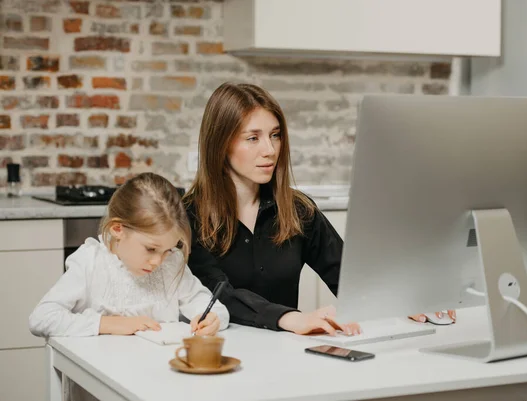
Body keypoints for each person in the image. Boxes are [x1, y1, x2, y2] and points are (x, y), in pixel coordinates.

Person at [184, 82, 454, 337]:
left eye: (275, 135)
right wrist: (292, 318)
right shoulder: (189, 216)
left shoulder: (298, 210)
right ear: (221, 145)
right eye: (253, 138)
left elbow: (348, 278)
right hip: (218, 357)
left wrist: (406, 302)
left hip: (285, 354)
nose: (269, 149)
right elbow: (218, 295)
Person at [29, 172, 229, 338]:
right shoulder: (91, 262)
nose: (158, 261)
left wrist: (212, 318)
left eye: (167, 250)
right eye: (150, 249)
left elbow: (213, 308)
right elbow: (41, 318)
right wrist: (109, 324)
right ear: (118, 229)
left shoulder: (171, 264)